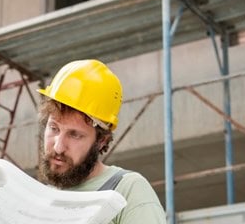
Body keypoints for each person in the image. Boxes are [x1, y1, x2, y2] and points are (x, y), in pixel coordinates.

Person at [36, 59, 166, 223]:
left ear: (101, 141)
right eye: (54, 128)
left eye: (74, 135)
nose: (58, 146)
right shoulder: (39, 199)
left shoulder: (127, 190)